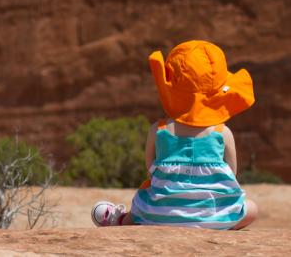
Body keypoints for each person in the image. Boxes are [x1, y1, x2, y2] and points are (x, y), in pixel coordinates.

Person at [91, 40, 258, 230]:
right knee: (252, 209)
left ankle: (121, 220)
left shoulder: (159, 130)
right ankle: (219, 222)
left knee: (142, 205)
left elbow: (150, 170)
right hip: (213, 214)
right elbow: (232, 174)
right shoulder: (223, 133)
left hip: (161, 215)